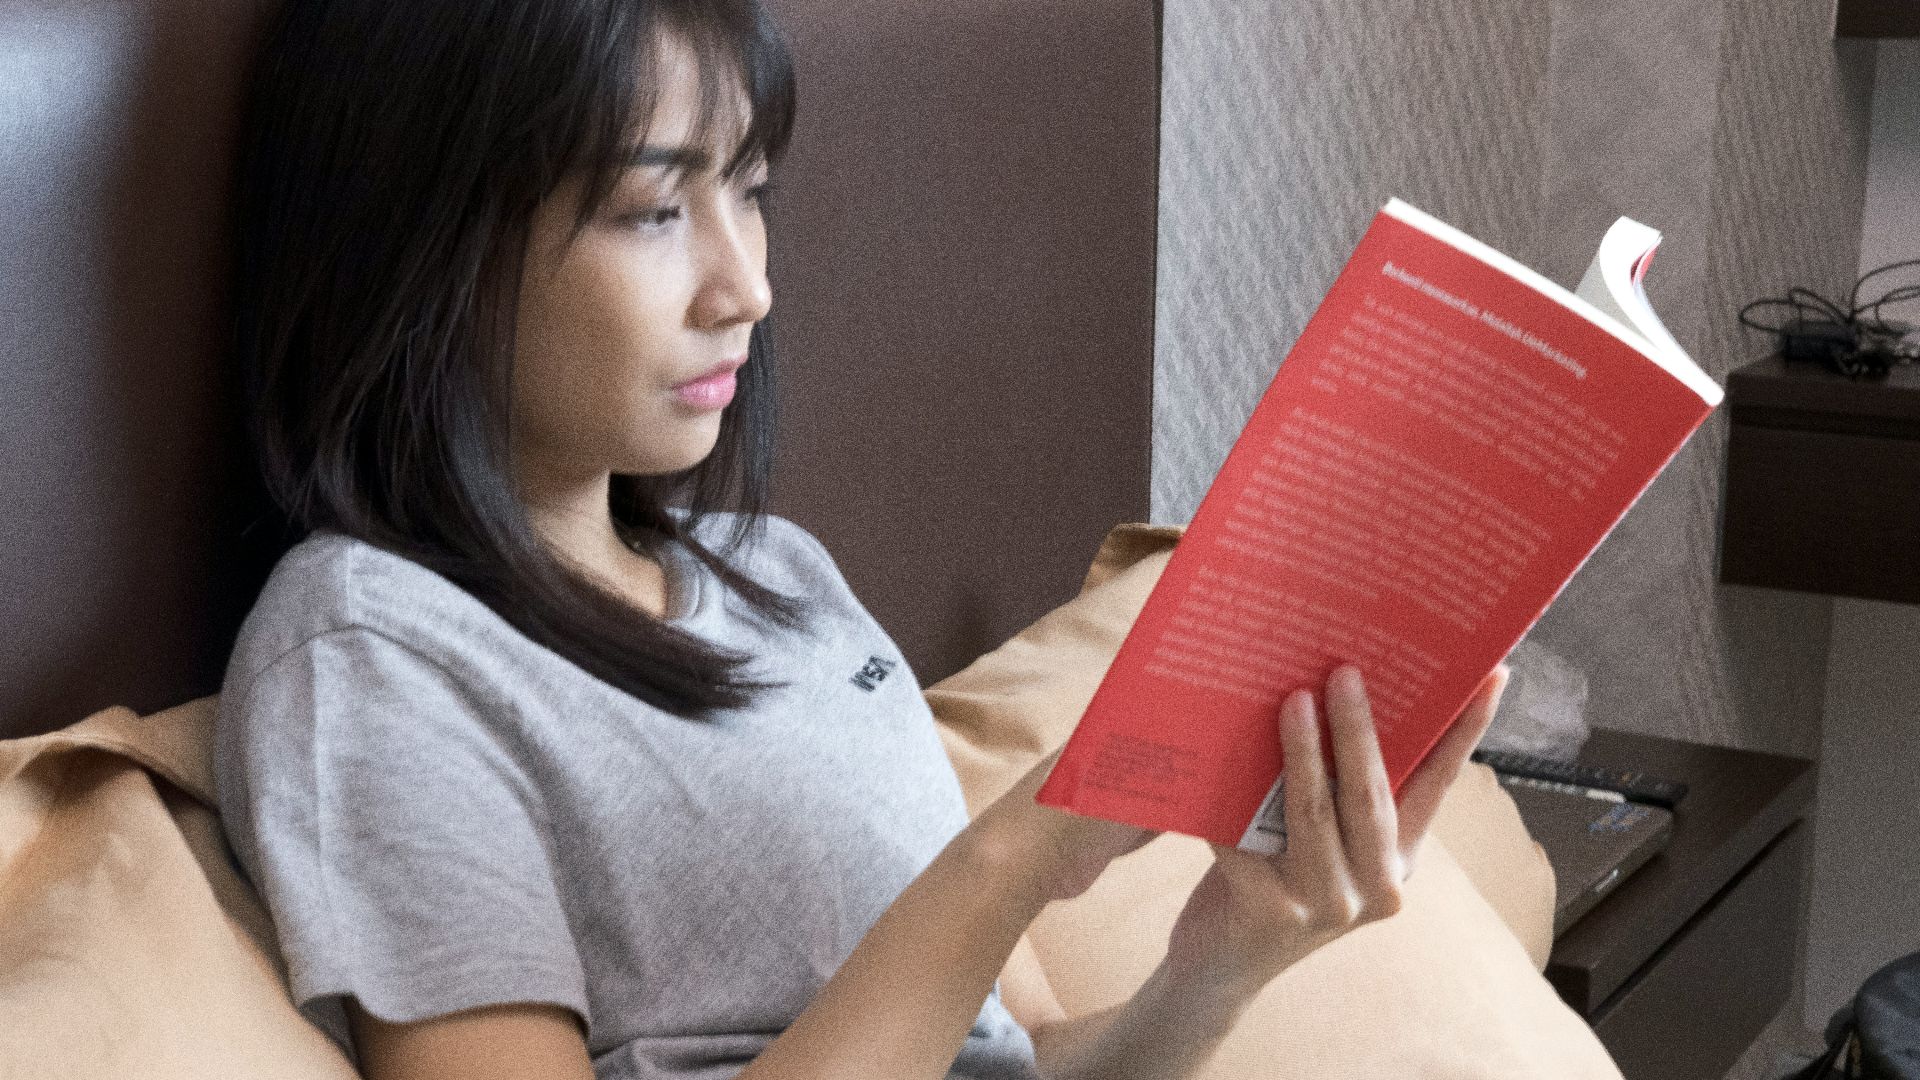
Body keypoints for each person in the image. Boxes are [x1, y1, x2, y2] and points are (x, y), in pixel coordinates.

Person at [215, 1, 1513, 1079]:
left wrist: (1223, 962)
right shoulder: (373, 650)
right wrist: (1004, 861)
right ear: (428, 237)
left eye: (749, 192)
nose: (748, 287)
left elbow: (1015, 1056)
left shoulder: (778, 578)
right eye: (654, 210)